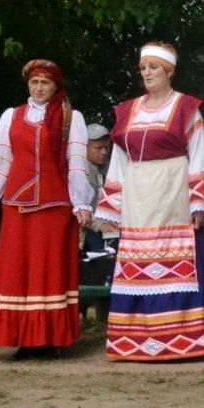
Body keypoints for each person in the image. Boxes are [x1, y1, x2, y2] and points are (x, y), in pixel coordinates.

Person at [95, 42, 204, 362]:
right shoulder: (127, 110)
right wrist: (111, 204)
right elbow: (119, 160)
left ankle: (183, 340)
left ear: (169, 72)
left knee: (176, 257)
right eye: (143, 68)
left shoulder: (186, 108)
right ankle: (133, 340)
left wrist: (198, 203)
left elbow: (200, 155)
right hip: (138, 194)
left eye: (153, 67)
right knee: (138, 262)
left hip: (173, 189)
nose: (147, 73)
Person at [0, 59, 94, 359]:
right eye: (34, 83)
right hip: (17, 207)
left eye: (45, 83)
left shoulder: (69, 118)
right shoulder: (11, 117)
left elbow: (77, 163)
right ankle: (23, 338)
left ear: (55, 87)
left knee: (49, 272)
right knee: (19, 272)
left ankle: (49, 340)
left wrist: (81, 203)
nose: (38, 88)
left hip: (55, 206)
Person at [79, 124, 117, 291]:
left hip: (109, 229)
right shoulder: (78, 171)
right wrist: (100, 225)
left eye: (106, 148)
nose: (104, 152)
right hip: (85, 232)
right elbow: (77, 209)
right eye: (98, 148)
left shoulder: (110, 169)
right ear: (84, 147)